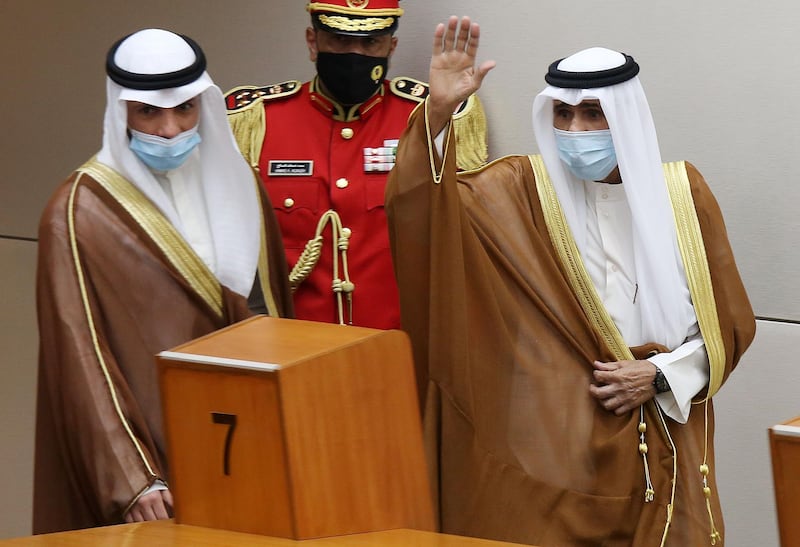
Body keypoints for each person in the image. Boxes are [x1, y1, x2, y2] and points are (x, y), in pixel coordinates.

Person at [385, 16, 755, 546]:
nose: (574, 131)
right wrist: (438, 114)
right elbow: (423, 217)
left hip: (660, 436)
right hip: (551, 445)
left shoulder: (682, 194)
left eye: (592, 114)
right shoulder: (515, 189)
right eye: (562, 113)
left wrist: (657, 373)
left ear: (625, 116)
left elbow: (729, 326)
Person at [33, 29, 293, 534]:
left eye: (185, 109)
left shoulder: (239, 184)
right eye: (149, 112)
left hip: (248, 443)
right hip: (156, 470)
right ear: (120, 110)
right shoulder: (80, 209)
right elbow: (80, 357)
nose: (171, 130)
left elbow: (271, 314)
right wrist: (132, 478)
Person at [225, 0, 487, 329]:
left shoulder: (426, 115)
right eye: (339, 40)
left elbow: (458, 226)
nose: (355, 55)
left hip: (395, 347)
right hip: (291, 347)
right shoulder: (258, 120)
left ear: (391, 48)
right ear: (312, 42)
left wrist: (437, 115)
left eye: (370, 43)